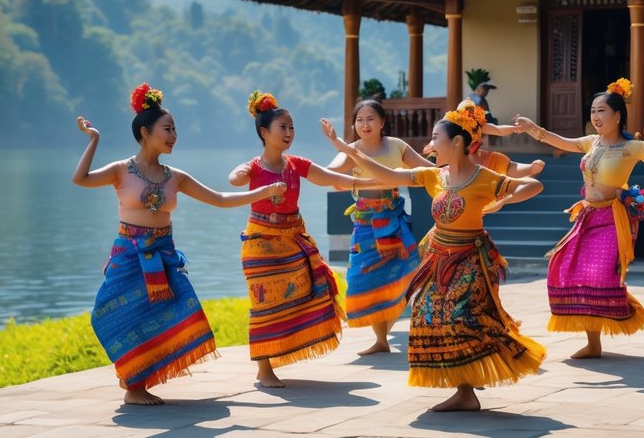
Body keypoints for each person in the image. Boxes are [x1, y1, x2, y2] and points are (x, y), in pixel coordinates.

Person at [73, 83, 286, 406]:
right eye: (167, 129)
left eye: (175, 129)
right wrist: (94, 140)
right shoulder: (120, 170)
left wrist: (262, 193)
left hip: (164, 255)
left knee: (175, 313)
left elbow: (221, 198)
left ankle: (137, 386)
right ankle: (133, 385)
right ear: (145, 132)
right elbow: (81, 178)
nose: (174, 135)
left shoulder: (176, 176)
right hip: (128, 254)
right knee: (117, 315)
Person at [323, 104, 546, 412]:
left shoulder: (484, 177)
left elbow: (534, 185)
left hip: (470, 258)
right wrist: (347, 150)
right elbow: (389, 174)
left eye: (435, 137)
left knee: (461, 318)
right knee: (429, 316)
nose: (430, 144)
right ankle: (465, 390)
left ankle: (469, 384)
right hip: (438, 257)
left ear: (456, 143)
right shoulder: (433, 176)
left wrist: (501, 201)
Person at [513, 77, 644, 359]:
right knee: (567, 269)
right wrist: (532, 128)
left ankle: (616, 313)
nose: (596, 116)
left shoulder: (630, 147)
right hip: (587, 215)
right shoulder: (591, 143)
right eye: (593, 111)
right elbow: (560, 141)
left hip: (613, 217)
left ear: (617, 115)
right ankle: (593, 342)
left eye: (602, 111)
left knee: (600, 275)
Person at [232, 90, 364, 388]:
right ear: (264, 133)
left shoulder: (296, 164)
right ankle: (264, 370)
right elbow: (234, 180)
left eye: (292, 127)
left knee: (309, 288)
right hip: (261, 243)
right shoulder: (254, 166)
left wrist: (366, 181)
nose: (289, 133)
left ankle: (286, 348)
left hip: (293, 238)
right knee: (264, 304)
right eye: (283, 127)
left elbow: (330, 177)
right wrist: (240, 172)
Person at [326, 98, 432, 356]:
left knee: (407, 271)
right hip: (365, 222)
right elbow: (330, 173)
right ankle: (381, 339)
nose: (365, 124)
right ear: (354, 125)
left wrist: (453, 164)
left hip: (393, 216)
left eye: (371, 118)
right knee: (367, 276)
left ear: (382, 122)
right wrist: (355, 179)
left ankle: (390, 322)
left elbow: (428, 170)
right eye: (359, 120)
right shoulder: (351, 150)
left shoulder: (397, 146)